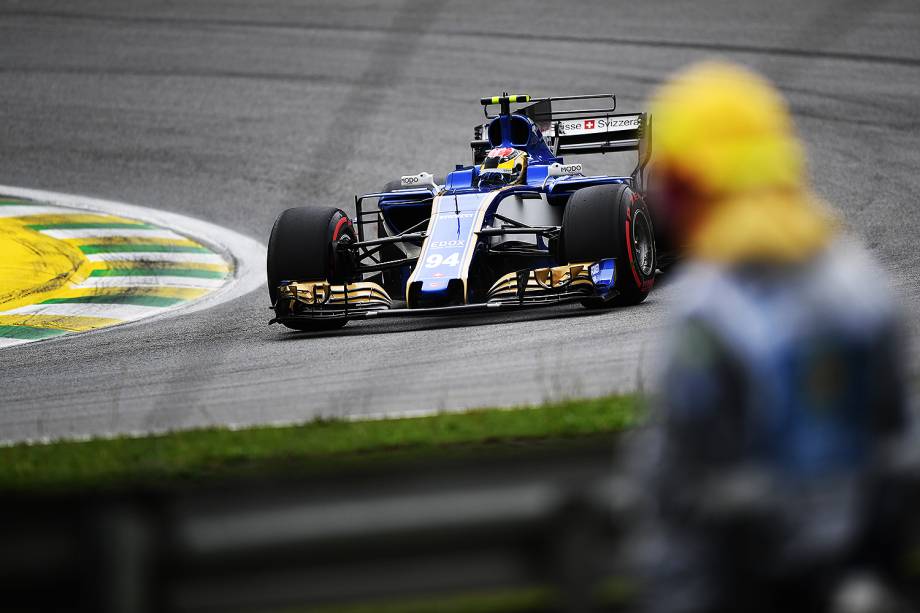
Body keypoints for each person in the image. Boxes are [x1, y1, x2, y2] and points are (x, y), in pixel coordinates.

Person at [642, 61, 915, 613]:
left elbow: (676, 493)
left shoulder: (706, 314)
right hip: (868, 579)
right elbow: (899, 452)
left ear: (683, 182)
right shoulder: (865, 286)